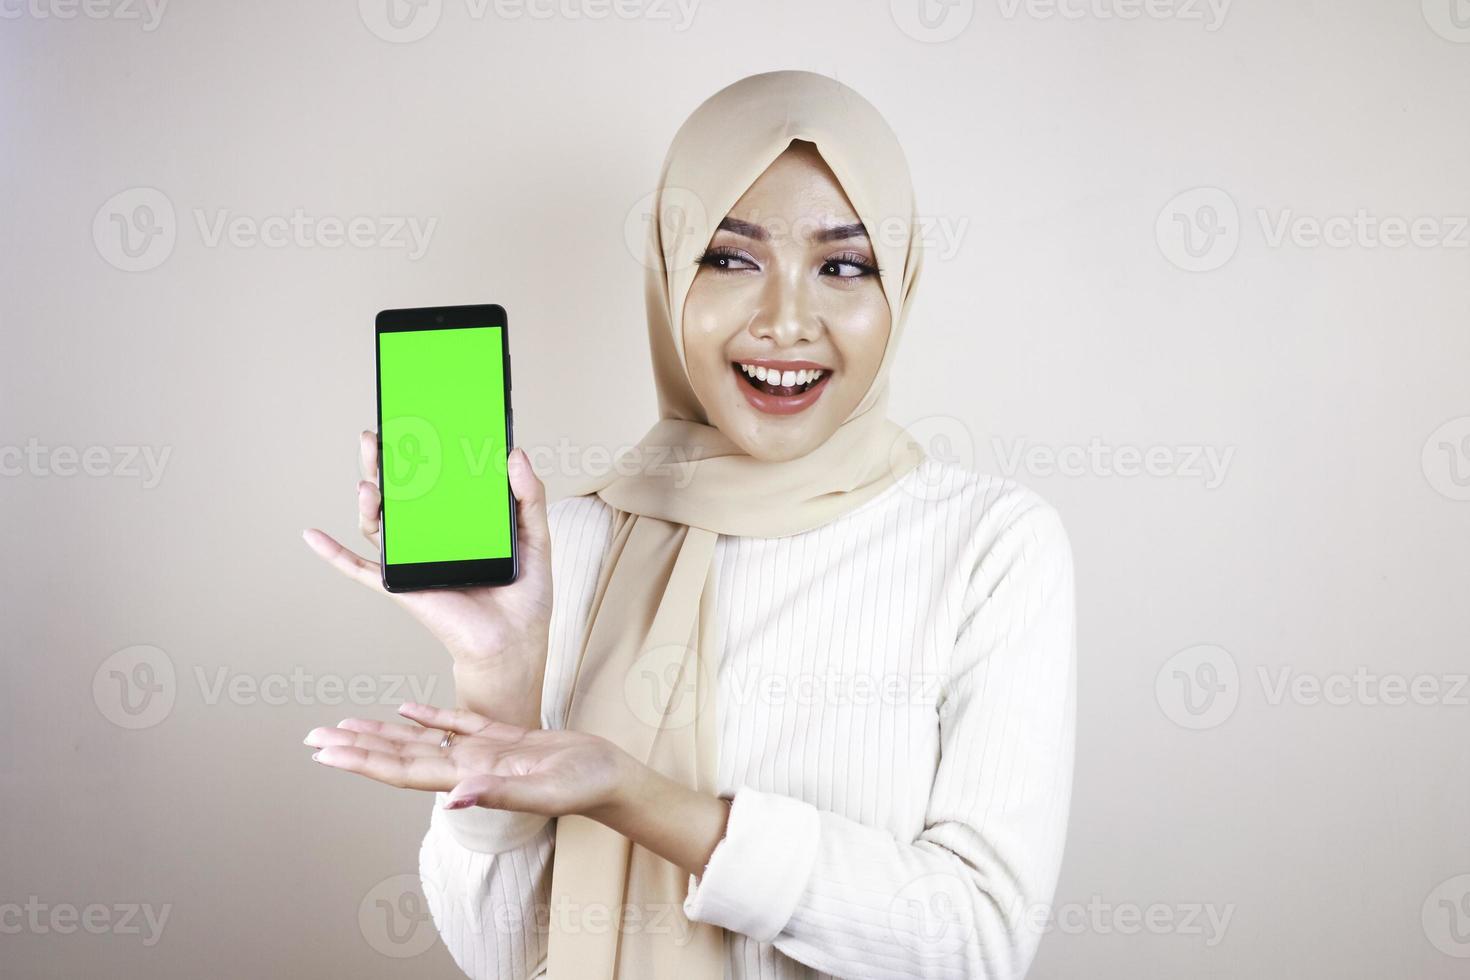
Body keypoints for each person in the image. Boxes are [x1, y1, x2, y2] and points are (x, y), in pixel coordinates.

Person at [302, 69, 1076, 980]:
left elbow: (975, 942)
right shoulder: (573, 545)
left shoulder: (988, 546)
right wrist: (495, 687)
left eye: (843, 265)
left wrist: (643, 800)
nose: (788, 321)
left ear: (898, 282)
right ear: (670, 274)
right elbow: (507, 961)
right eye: (731, 258)